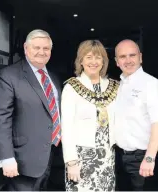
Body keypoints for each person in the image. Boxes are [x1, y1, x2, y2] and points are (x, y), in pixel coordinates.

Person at [0, 29, 65, 191]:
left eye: (46, 48)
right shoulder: (9, 76)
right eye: (36, 47)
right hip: (22, 160)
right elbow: (1, 119)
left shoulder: (54, 77)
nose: (41, 52)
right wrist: (6, 157)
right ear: (26, 48)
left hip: (49, 156)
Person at [61, 40, 119, 191]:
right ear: (81, 60)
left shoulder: (114, 86)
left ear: (104, 61)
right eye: (88, 57)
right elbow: (66, 127)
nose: (94, 62)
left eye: (98, 57)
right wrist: (71, 162)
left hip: (107, 155)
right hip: (82, 157)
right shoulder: (72, 87)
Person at [114, 39, 158, 190]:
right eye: (123, 57)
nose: (128, 60)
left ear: (140, 57)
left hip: (141, 158)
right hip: (119, 158)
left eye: (132, 55)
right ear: (117, 61)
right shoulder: (119, 85)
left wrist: (149, 158)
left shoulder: (150, 84)